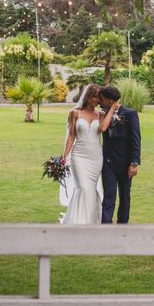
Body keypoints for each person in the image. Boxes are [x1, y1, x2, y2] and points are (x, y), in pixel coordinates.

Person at [60, 84, 119, 224]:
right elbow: (71, 137)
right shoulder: (74, 113)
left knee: (90, 188)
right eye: (94, 97)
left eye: (99, 98)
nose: (97, 101)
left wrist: (111, 109)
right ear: (87, 97)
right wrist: (64, 157)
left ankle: (91, 221)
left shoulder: (101, 114)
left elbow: (103, 128)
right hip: (78, 156)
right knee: (83, 187)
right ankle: (80, 221)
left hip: (95, 157)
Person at [99, 86, 141, 224]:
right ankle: (106, 226)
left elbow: (136, 139)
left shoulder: (130, 114)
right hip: (108, 162)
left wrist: (134, 163)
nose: (100, 102)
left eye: (102, 99)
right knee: (109, 195)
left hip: (125, 163)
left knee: (124, 196)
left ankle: (122, 226)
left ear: (110, 101)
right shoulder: (102, 114)